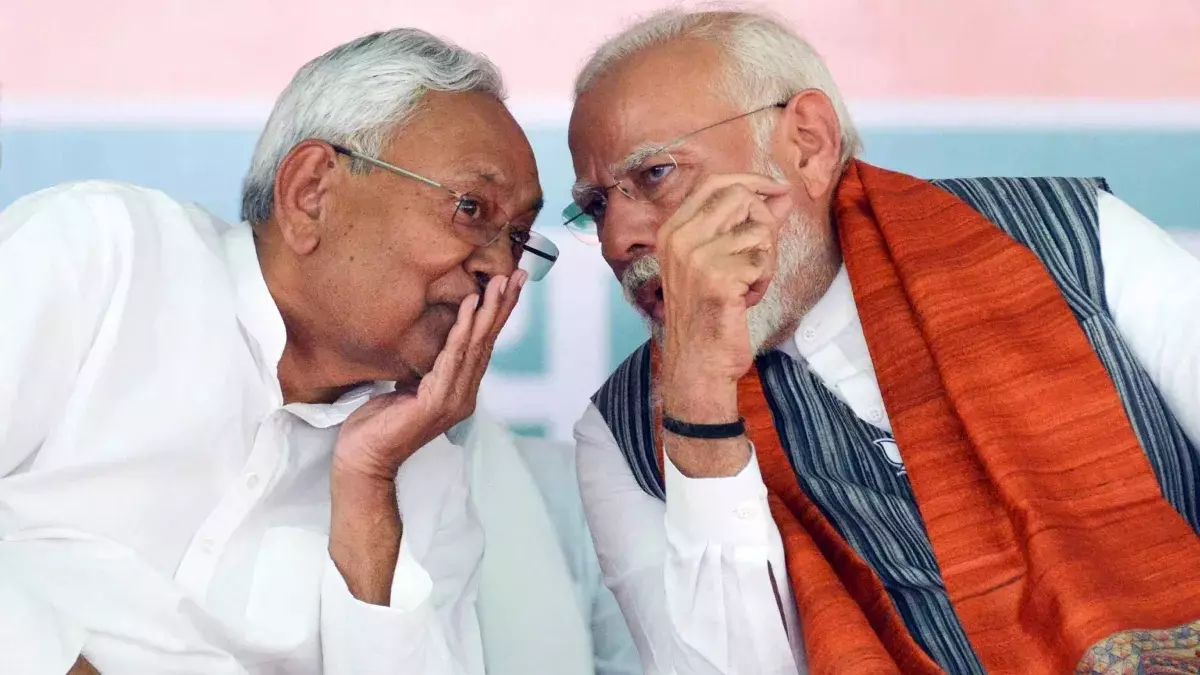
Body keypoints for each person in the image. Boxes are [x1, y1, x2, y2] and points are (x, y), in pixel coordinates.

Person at [566, 8, 1200, 675]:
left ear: (807, 144)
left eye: (656, 174)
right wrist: (697, 396)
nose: (619, 238)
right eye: (599, 205)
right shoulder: (622, 434)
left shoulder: (1069, 238)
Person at [0, 28, 639, 675]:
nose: (500, 269)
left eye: (520, 238)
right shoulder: (105, 255)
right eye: (471, 209)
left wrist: (369, 481)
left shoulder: (422, 462)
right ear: (311, 192)